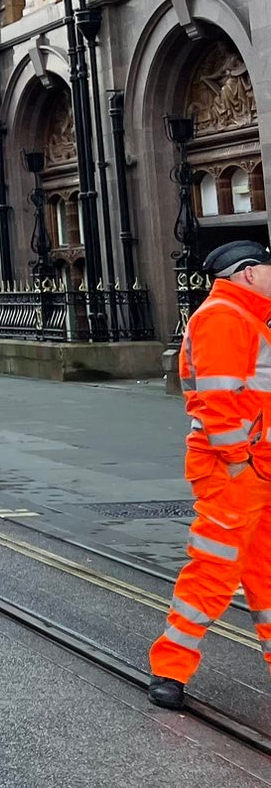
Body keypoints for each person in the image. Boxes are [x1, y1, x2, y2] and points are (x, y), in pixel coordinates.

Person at [149, 240, 271, 710]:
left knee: (264, 574)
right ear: (247, 273)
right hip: (234, 472)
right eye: (267, 267)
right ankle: (170, 669)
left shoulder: (247, 317)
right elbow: (219, 401)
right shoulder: (224, 317)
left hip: (256, 468)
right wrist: (238, 460)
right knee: (214, 572)